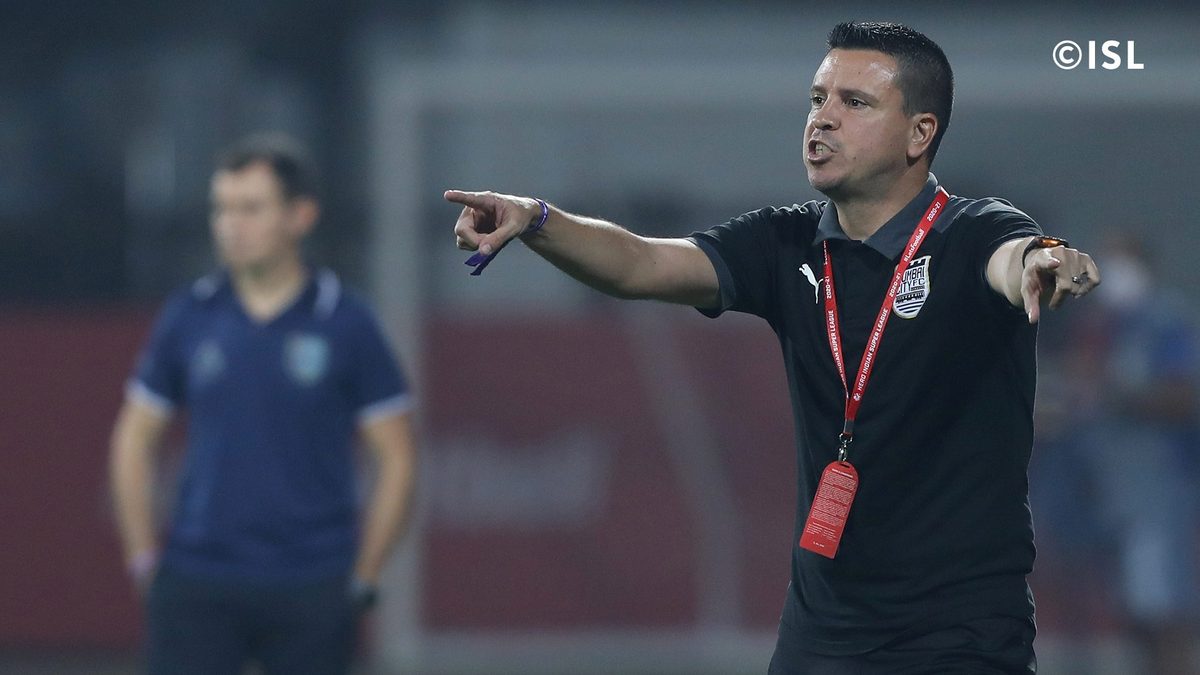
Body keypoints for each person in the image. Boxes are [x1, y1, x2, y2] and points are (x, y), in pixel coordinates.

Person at [445, 21, 1100, 674]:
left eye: (855, 102)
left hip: (959, 639)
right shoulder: (783, 243)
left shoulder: (971, 231)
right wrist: (537, 219)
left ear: (919, 133)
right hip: (820, 639)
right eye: (818, 98)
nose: (823, 119)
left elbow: (1014, 256)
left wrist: (1044, 262)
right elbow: (640, 263)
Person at [110, 132, 417, 675]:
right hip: (198, 578)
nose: (231, 224)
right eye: (221, 208)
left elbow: (397, 456)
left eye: (251, 208)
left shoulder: (346, 322)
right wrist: (142, 560)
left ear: (300, 216)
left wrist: (366, 573)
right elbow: (133, 438)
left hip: (312, 582)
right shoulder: (190, 315)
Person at [1046, 233, 1199, 674]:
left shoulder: (1165, 321)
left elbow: (1182, 397)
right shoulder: (1099, 325)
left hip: (1158, 486)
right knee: (1129, 608)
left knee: (1164, 603)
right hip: (1106, 485)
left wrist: (1118, 394)